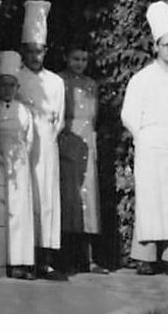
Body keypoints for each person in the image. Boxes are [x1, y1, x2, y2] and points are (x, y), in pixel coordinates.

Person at [121, 0, 168, 276]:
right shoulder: (142, 79)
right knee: (152, 199)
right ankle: (145, 257)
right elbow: (128, 114)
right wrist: (143, 138)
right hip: (151, 145)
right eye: (165, 45)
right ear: (155, 47)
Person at [17, 0, 66, 280]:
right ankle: (27, 257)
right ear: (24, 51)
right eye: (31, 51)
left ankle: (46, 257)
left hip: (47, 143)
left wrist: (46, 136)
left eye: (40, 51)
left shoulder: (56, 82)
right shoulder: (17, 78)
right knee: (28, 196)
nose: (36, 57)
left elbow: (59, 119)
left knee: (47, 197)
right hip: (25, 143)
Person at [59, 45, 106, 274]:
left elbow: (93, 117)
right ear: (67, 57)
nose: (79, 63)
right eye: (76, 58)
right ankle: (67, 259)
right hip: (69, 142)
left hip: (87, 141)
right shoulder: (60, 81)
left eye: (84, 59)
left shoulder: (91, 84)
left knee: (89, 202)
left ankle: (88, 259)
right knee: (70, 199)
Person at [0, 50, 37, 280]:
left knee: (21, 212)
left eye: (12, 85)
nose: (7, 89)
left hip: (19, 162)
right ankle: (5, 261)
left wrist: (20, 159)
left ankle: (21, 262)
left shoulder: (23, 111)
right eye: (3, 85)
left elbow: (29, 140)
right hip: (1, 162)